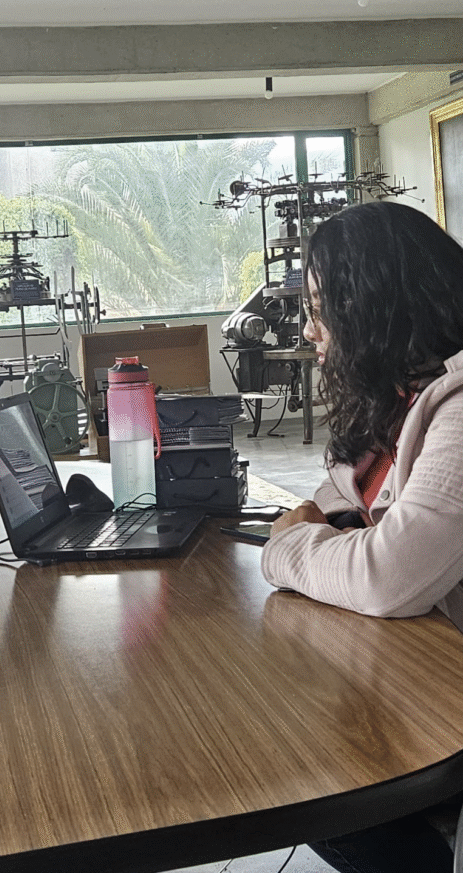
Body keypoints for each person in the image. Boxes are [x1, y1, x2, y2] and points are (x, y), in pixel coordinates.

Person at [261, 200, 463, 872]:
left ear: (378, 308)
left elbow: (387, 575)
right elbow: (338, 499)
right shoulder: (404, 396)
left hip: (449, 695)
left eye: (323, 311)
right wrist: (318, 533)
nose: (310, 331)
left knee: (322, 784)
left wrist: (291, 549)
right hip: (430, 667)